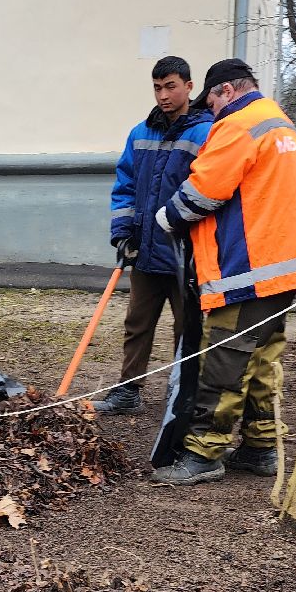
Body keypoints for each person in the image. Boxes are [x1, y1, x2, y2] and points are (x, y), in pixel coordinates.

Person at [150, 59, 296, 486]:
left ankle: (204, 453)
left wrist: (165, 219)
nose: (210, 112)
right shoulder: (281, 124)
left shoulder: (238, 124)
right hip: (282, 268)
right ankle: (260, 446)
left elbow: (204, 191)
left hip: (248, 267)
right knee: (263, 356)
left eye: (210, 102)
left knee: (226, 359)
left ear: (227, 91)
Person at [91, 56, 214, 415]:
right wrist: (123, 233)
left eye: (171, 86)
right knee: (137, 324)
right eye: (157, 87)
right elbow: (125, 186)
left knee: (187, 328)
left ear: (189, 87)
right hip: (144, 250)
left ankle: (182, 395)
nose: (163, 95)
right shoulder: (140, 133)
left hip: (184, 255)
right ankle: (128, 392)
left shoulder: (205, 134)